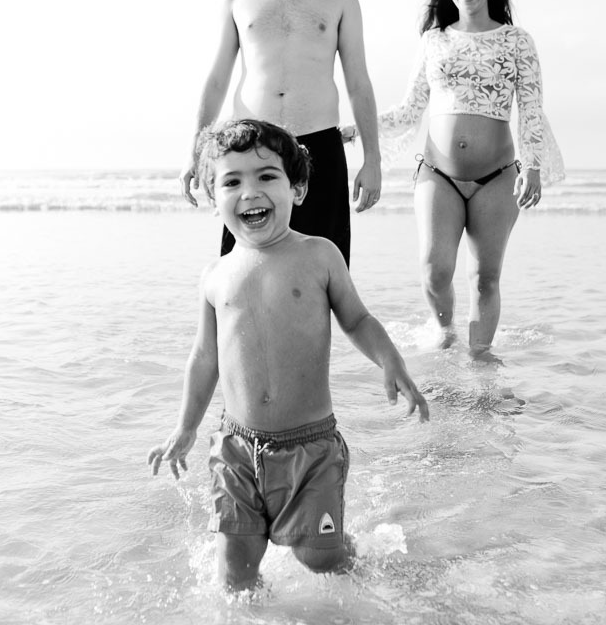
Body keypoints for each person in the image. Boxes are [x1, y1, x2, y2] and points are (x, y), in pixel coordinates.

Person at [149, 119, 429, 591]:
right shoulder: (215, 276)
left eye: (267, 176)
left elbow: (357, 320)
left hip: (309, 447)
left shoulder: (319, 255)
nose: (249, 191)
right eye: (231, 181)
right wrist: (186, 426)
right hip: (236, 448)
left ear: (297, 189)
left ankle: (355, 553)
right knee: (234, 573)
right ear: (212, 195)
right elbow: (204, 358)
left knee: (318, 559)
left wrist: (390, 360)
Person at [359, 0, 564, 354]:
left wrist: (534, 167)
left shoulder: (517, 41)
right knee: (434, 272)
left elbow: (530, 110)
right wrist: (354, 130)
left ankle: (479, 360)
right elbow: (408, 110)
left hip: (498, 176)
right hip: (439, 175)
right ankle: (446, 335)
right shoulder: (435, 40)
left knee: (484, 278)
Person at [178, 0, 383, 267]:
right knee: (243, 273)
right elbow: (218, 79)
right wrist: (195, 151)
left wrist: (372, 160)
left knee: (323, 275)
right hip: (250, 149)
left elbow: (359, 83)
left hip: (320, 148)